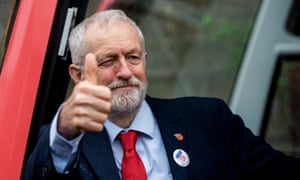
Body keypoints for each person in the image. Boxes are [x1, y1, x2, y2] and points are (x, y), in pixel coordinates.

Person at [23, 9, 300, 180]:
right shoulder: (64, 143)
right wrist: (64, 133)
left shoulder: (209, 120)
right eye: (108, 61)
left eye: (133, 57)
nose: (124, 71)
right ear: (78, 74)